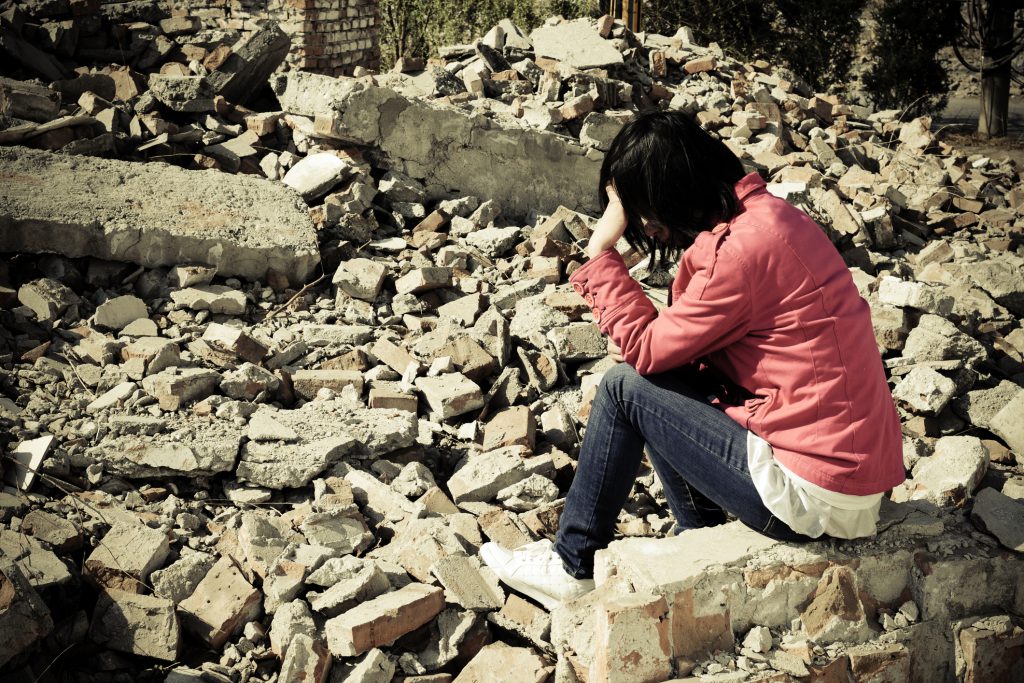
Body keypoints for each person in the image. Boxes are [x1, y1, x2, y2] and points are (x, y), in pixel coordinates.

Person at [480, 110, 905, 611]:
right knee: (669, 374)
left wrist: (599, 251)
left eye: (640, 209)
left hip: (815, 495)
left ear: (670, 193)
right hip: (854, 482)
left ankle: (572, 563)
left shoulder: (739, 252)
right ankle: (701, 529)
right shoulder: (775, 219)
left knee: (624, 388)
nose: (643, 225)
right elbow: (673, 353)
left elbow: (642, 350)